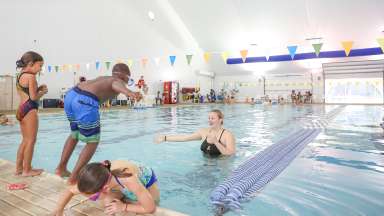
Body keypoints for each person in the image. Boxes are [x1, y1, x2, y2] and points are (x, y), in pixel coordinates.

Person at [55, 63, 142, 184]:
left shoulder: (103, 78)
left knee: (74, 134)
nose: (127, 82)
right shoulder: (117, 80)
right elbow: (116, 84)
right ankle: (73, 178)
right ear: (125, 76)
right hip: (84, 101)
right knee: (92, 142)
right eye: (128, 79)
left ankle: (61, 168)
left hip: (72, 95)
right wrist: (130, 93)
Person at [53, 160, 159, 216]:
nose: (92, 199)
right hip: (115, 180)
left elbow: (150, 208)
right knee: (108, 203)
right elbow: (70, 190)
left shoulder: (129, 180)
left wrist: (124, 207)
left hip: (145, 178)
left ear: (105, 189)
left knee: (151, 207)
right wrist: (59, 210)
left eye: (93, 197)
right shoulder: (94, 178)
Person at [14, 51, 48, 177]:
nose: (40, 69)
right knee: (31, 141)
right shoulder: (31, 77)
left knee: (25, 140)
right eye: (39, 66)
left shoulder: (19, 75)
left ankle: (19, 168)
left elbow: (27, 92)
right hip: (29, 110)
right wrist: (43, 92)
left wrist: (37, 89)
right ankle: (27, 170)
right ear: (30, 63)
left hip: (21, 109)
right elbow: (33, 98)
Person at [155, 109, 236, 156]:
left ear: (220, 120)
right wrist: (165, 138)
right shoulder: (204, 132)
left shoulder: (227, 135)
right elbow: (185, 138)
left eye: (213, 118)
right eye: (209, 118)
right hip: (204, 165)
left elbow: (230, 154)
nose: (210, 120)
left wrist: (216, 142)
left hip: (219, 168)